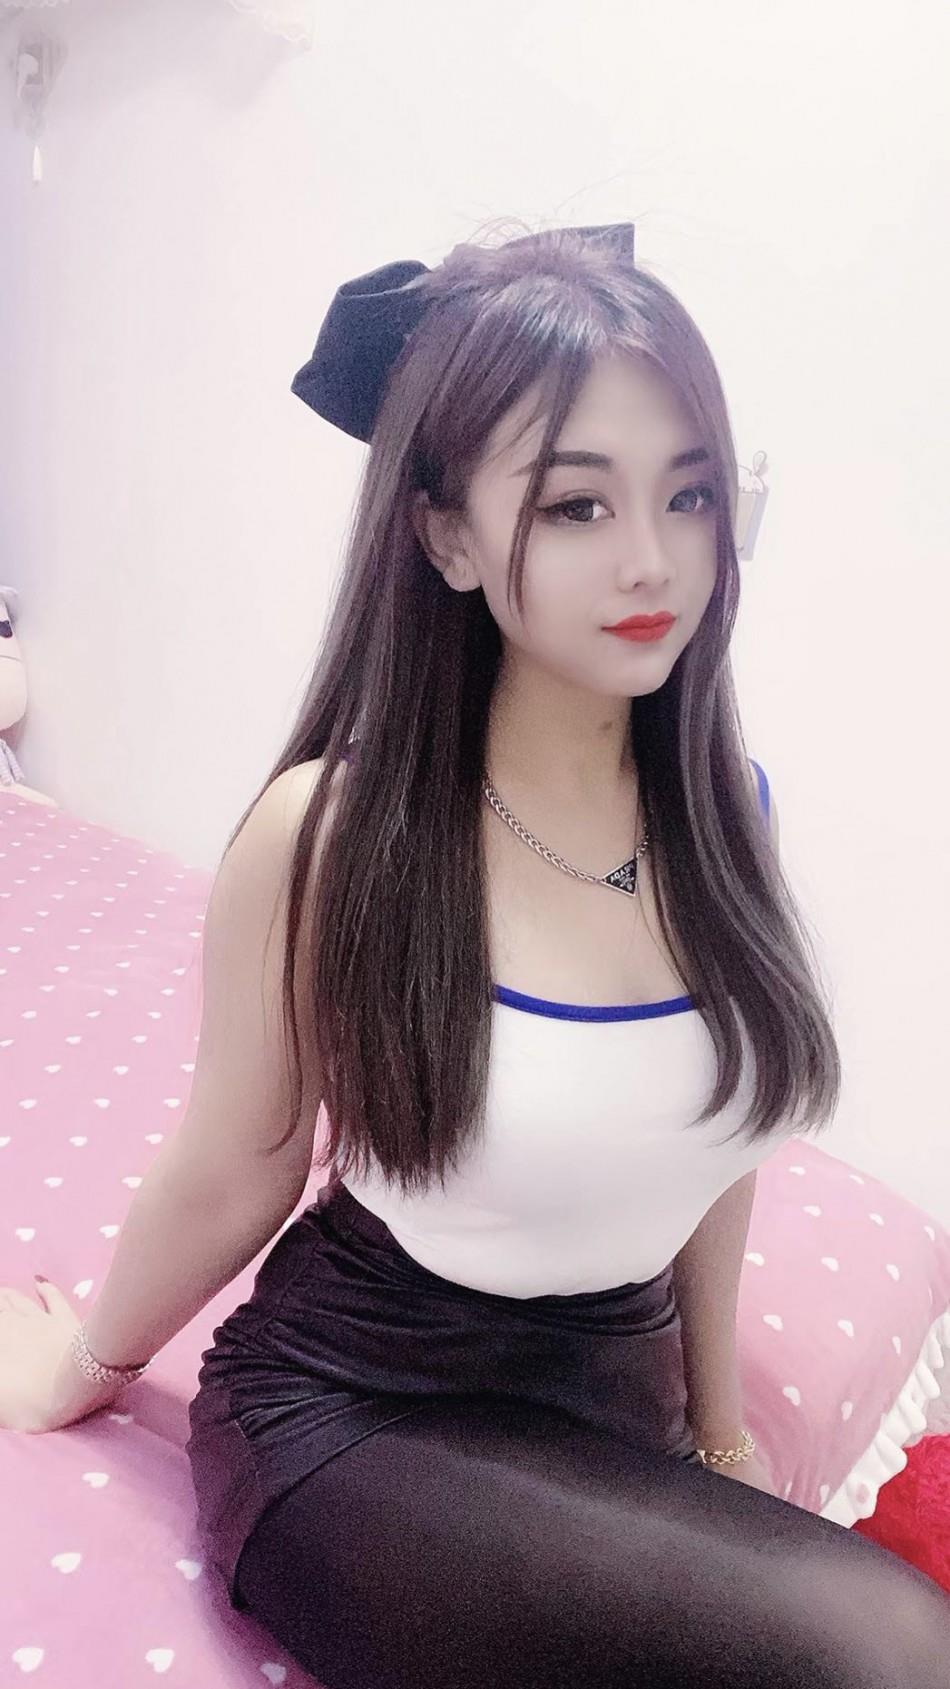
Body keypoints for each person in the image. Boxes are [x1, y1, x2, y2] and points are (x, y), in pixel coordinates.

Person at [3, 221, 949, 1688]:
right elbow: (236, 1160)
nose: (652, 558)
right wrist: (80, 1368)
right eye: (576, 505)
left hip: (608, 1376)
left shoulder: (725, 809)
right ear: (445, 536)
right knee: (885, 1652)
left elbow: (720, 1136)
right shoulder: (333, 837)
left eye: (689, 493)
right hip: (360, 1403)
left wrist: (714, 1428)